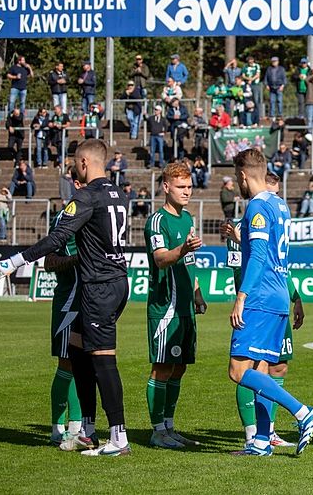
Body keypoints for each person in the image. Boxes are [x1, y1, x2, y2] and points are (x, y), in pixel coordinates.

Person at [0, 139, 130, 456]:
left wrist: (11, 262)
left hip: (99, 286)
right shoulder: (118, 194)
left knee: (103, 360)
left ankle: (118, 438)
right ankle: (87, 430)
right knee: (78, 349)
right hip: (115, 282)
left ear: (83, 163)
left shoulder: (86, 196)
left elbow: (56, 238)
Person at [226, 148, 313, 456]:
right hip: (279, 294)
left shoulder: (256, 207)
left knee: (238, 371)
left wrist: (242, 296)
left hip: (260, 296)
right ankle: (262, 441)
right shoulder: (280, 205)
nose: (237, 183)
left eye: (236, 177)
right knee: (262, 370)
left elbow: (258, 257)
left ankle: (303, 412)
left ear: (243, 176)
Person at [143, 163, 207, 449]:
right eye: (181, 187)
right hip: (165, 308)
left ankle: (169, 426)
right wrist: (183, 249)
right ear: (166, 187)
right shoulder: (157, 221)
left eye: (190, 186)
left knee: (179, 368)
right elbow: (160, 259)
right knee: (162, 368)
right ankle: (157, 431)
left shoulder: (187, 218)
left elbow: (189, 261)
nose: (187, 192)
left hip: (185, 307)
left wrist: (197, 292)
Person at [44, 177, 82, 446]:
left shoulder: (96, 214)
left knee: (85, 363)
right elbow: (49, 261)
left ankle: (77, 427)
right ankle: (57, 428)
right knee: (67, 362)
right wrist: (77, 260)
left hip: (91, 301)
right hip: (69, 300)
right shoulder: (64, 218)